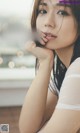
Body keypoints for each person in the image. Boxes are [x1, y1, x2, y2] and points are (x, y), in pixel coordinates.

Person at [19, 0, 80, 132]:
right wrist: (45, 61)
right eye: (43, 11)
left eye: (62, 12)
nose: (48, 22)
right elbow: (27, 128)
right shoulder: (63, 71)